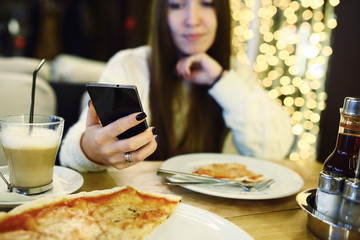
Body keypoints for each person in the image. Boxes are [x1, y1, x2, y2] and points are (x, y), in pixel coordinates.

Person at [60, 0, 294, 172]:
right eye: (176, 5)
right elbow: (70, 152)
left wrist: (220, 81)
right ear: (162, 14)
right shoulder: (130, 65)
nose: (192, 20)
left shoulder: (237, 73)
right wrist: (90, 149)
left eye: (207, 3)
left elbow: (273, 149)